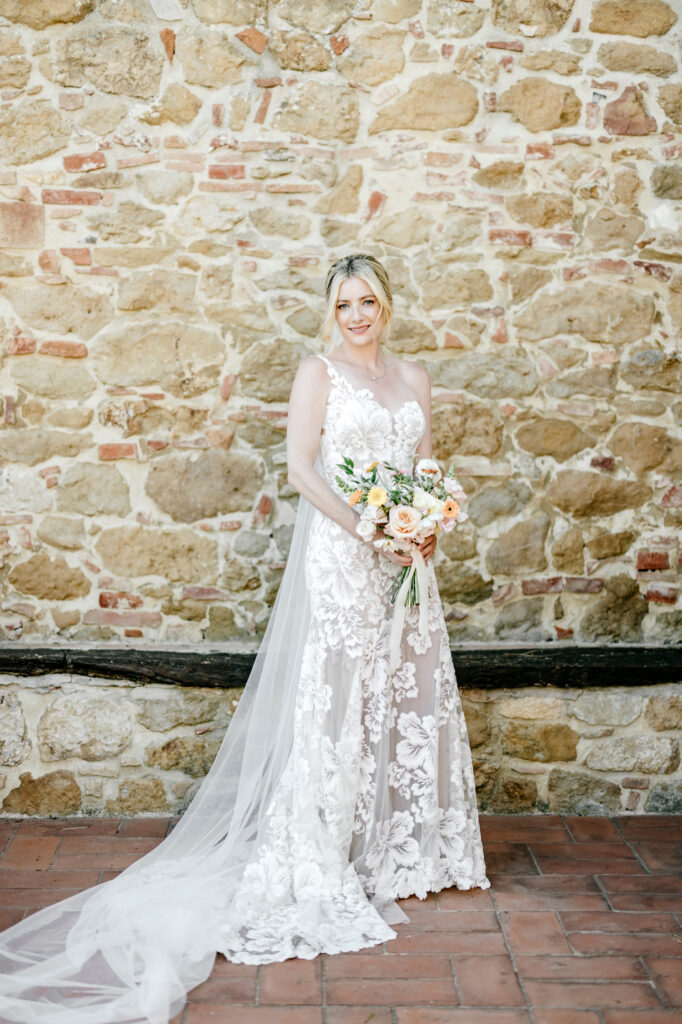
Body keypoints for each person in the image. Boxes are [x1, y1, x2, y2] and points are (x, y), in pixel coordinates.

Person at [0, 253, 488, 1024]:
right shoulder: (318, 373)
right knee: (335, 701)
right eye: (344, 303)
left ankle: (397, 848)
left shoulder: (417, 378)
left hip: (404, 562)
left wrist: (425, 528)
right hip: (343, 555)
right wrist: (370, 528)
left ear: (387, 304)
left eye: (368, 301)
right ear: (331, 311)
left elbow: (424, 469)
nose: (356, 314)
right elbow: (301, 470)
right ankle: (322, 847)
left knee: (405, 690)